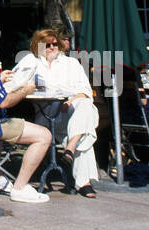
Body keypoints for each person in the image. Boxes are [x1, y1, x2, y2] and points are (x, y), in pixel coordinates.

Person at [9, 28, 100, 198]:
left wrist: (71, 101)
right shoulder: (31, 61)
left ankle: (70, 148)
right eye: (47, 45)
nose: (52, 48)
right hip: (45, 113)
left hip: (69, 112)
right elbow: (13, 83)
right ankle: (83, 182)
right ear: (38, 46)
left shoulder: (71, 64)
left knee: (86, 105)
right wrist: (26, 88)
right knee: (83, 131)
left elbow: (86, 91)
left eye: (55, 44)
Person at [0, 27, 51, 203]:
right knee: (44, 135)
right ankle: (20, 187)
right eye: (48, 44)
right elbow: (4, 102)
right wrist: (25, 90)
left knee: (4, 119)